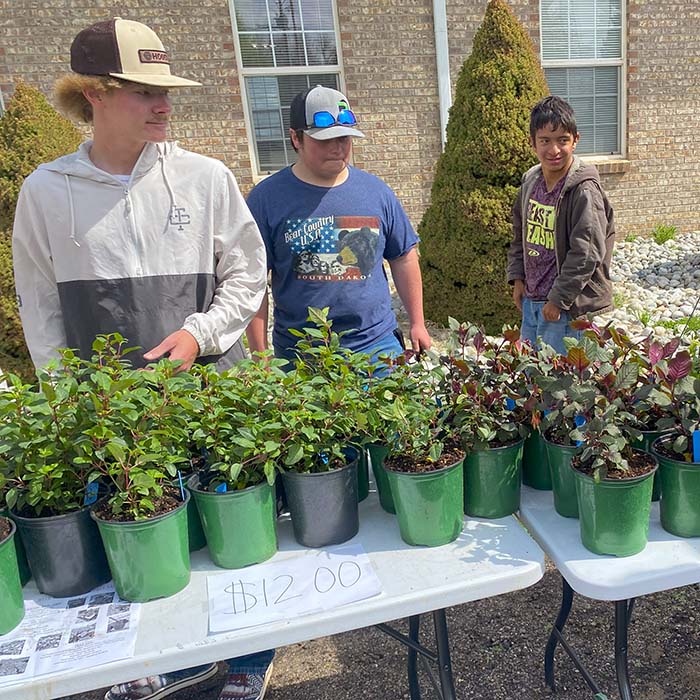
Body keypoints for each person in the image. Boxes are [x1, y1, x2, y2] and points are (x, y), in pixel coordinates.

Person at [12, 17, 273, 700]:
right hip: (116, 422)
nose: (163, 104)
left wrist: (201, 333)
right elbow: (39, 309)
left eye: (166, 91)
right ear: (92, 95)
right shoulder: (46, 192)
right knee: (139, 542)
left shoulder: (204, 178)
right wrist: (72, 402)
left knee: (232, 537)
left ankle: (246, 662)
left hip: (213, 399)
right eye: (142, 91)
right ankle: (151, 666)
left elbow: (248, 274)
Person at [245, 85, 431, 362]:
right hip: (301, 354)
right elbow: (253, 279)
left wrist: (418, 322)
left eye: (344, 138)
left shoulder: (376, 192)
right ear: (296, 138)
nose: (337, 147)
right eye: (324, 140)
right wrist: (261, 356)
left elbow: (403, 257)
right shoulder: (266, 199)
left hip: (377, 346)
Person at [507, 95, 615, 355]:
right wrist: (517, 278)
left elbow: (586, 253)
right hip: (532, 301)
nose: (553, 150)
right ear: (532, 142)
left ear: (575, 140)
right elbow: (520, 234)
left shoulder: (584, 190)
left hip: (566, 307)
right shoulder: (531, 182)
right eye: (545, 141)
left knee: (561, 386)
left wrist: (558, 300)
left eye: (562, 140)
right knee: (532, 379)